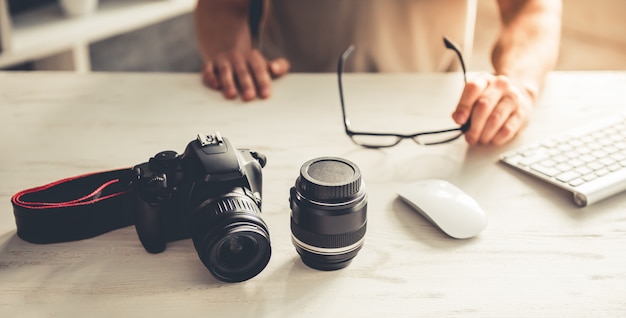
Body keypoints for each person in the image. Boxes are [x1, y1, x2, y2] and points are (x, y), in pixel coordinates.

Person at [194, 0, 562, 146]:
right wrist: (233, 54)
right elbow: (223, 6)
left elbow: (532, 9)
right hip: (282, 100)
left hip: (438, 120)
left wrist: (518, 83)